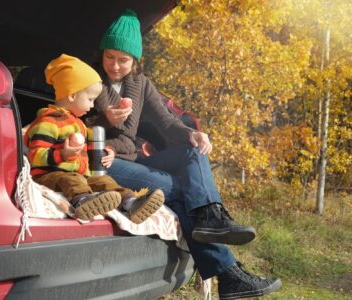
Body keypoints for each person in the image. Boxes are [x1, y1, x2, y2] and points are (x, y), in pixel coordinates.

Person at [84, 10, 282, 299]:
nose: (115, 65)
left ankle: (212, 218)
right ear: (102, 53)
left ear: (135, 60)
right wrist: (104, 121)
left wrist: (192, 134)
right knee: (183, 192)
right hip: (108, 162)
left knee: (191, 151)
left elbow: (166, 122)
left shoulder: (140, 84)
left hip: (135, 159)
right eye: (110, 56)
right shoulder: (91, 81)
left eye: (123, 60)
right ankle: (229, 274)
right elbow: (71, 121)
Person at [24, 54, 164, 223]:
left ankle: (130, 203)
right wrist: (63, 153)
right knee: (71, 178)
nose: (92, 105)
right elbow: (36, 155)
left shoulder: (80, 125)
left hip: (81, 175)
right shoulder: (48, 121)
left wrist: (107, 151)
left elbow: (91, 151)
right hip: (49, 175)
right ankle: (82, 202)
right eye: (90, 99)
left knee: (103, 180)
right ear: (72, 96)